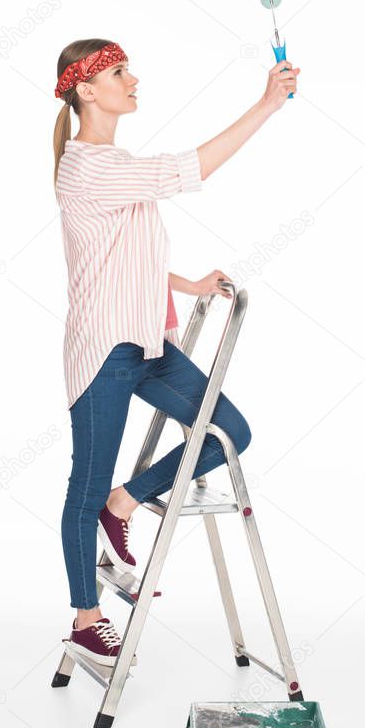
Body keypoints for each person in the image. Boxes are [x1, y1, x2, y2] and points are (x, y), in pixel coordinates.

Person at [52, 38, 300, 665]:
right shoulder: (87, 166)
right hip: (105, 352)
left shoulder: (115, 162)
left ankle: (125, 504)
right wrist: (266, 104)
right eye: (118, 72)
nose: (133, 79)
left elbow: (120, 257)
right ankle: (86, 619)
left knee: (229, 431)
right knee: (84, 490)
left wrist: (186, 285)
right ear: (87, 89)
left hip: (148, 342)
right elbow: (191, 169)